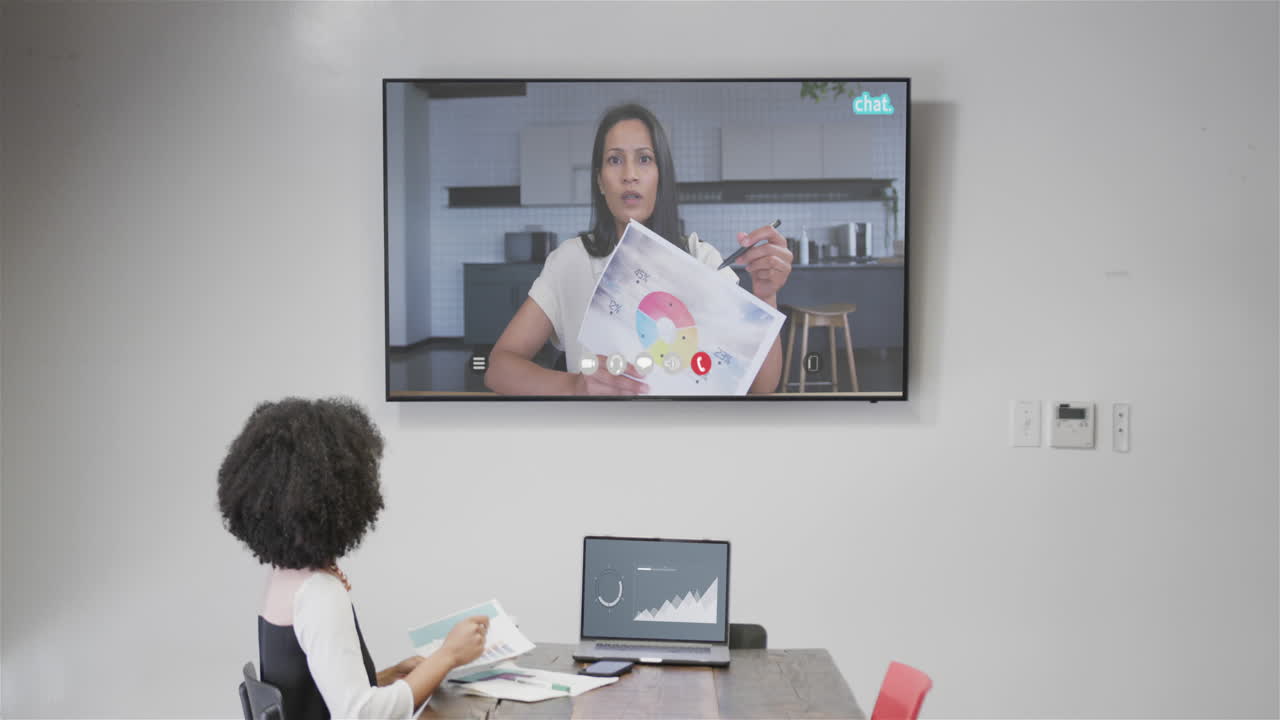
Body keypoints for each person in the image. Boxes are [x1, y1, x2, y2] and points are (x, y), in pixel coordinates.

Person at [484, 103, 793, 396]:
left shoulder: (702, 259)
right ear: (601, 182)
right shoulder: (571, 261)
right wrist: (574, 386)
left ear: (661, 176)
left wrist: (765, 295)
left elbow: (762, 387)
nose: (629, 174)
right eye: (615, 160)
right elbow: (498, 368)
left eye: (644, 159)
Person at [217, 397, 488, 718]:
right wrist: (449, 655)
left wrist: (386, 678)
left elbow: (308, 695)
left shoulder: (283, 579)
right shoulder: (318, 592)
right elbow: (360, 714)